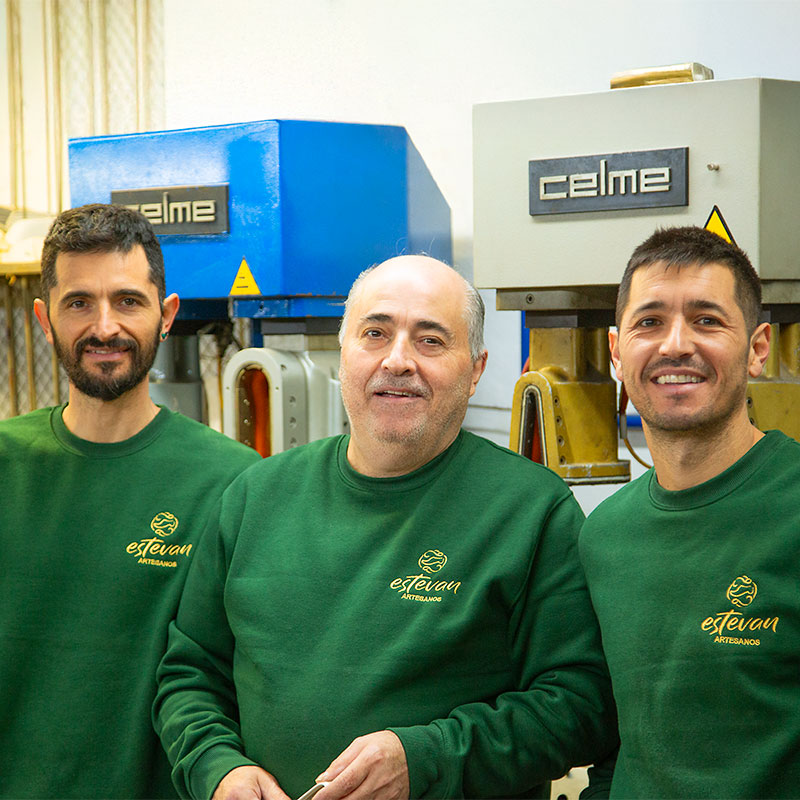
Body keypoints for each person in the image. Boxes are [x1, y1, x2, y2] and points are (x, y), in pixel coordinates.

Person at [154, 255, 617, 800]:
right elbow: (191, 674)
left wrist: (427, 759)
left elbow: (581, 705)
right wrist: (218, 769)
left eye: (430, 341)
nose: (398, 360)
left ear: (475, 369)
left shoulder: (531, 512)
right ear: (344, 353)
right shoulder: (256, 497)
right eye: (375, 333)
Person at [0, 204, 260, 799]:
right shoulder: (6, 463)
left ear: (166, 316)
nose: (105, 326)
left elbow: (237, 677)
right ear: (45, 319)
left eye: (127, 300)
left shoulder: (234, 483)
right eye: (79, 303)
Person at [579, 226, 800, 797]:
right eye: (649, 322)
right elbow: (621, 742)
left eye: (707, 320)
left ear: (757, 349)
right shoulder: (605, 536)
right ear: (615, 353)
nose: (675, 345)